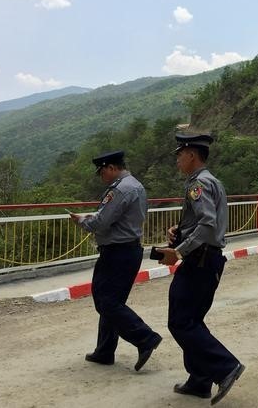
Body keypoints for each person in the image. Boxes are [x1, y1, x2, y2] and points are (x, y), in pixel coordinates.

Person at [155, 133, 245, 405]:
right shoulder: (209, 181)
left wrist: (178, 252)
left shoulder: (199, 184)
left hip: (200, 261)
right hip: (206, 259)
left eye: (180, 154)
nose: (178, 159)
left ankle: (225, 366)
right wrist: (180, 231)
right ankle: (200, 380)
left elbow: (207, 226)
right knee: (191, 319)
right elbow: (205, 223)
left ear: (191, 155)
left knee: (180, 321)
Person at [69, 150, 162, 372]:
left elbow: (101, 222)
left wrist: (82, 221)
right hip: (127, 250)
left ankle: (145, 338)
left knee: (106, 301)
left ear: (111, 168)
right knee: (110, 301)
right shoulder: (135, 185)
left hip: (117, 252)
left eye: (102, 172)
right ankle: (105, 350)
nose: (101, 177)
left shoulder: (120, 189)